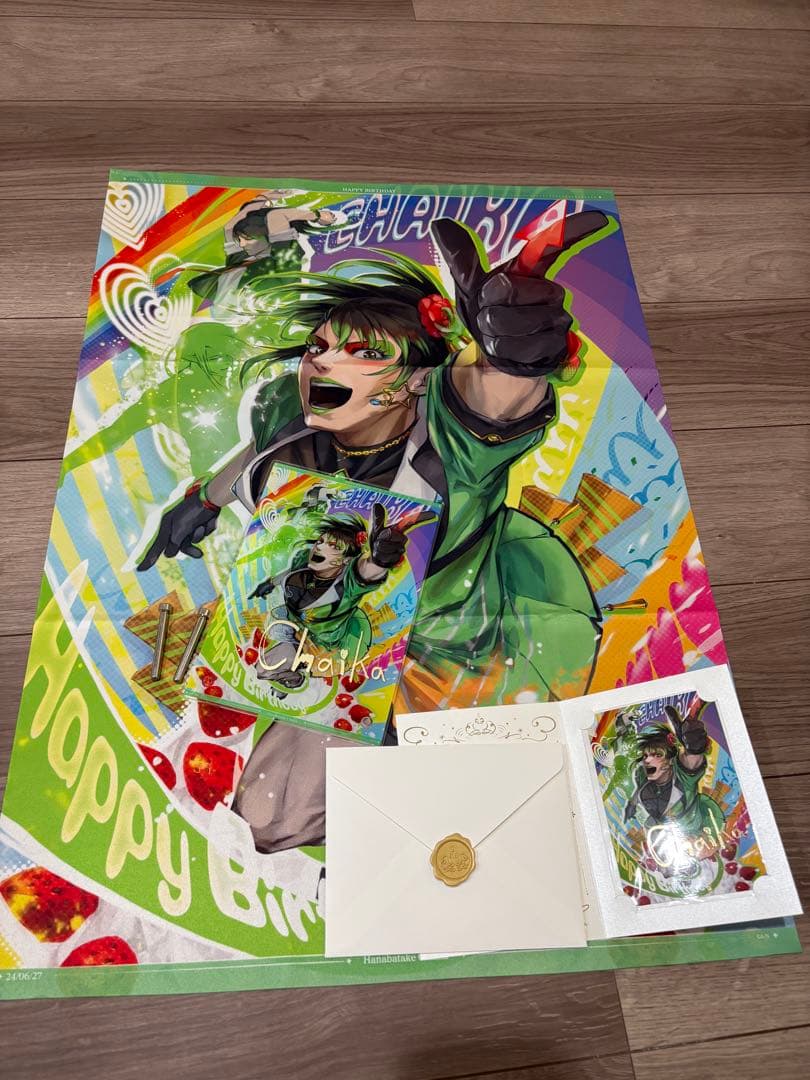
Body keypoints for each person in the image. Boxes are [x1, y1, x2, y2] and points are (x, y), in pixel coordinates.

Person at [139, 208, 611, 853]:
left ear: (416, 380)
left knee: (371, 822)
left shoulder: (449, 446)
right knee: (255, 810)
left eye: (365, 354)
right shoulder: (293, 420)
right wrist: (204, 499)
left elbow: (494, 402)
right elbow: (262, 447)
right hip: (330, 642)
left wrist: (518, 355)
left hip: (456, 647)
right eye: (320, 348)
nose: (324, 364)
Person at [249, 505, 414, 689]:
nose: (319, 547)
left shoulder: (347, 586)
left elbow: (364, 572)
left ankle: (296, 677)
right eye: (321, 541)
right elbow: (290, 571)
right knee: (260, 670)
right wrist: (270, 583)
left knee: (263, 670)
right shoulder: (304, 559)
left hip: (324, 643)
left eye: (334, 546)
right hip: (293, 628)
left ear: (346, 560)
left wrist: (380, 560)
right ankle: (293, 674)